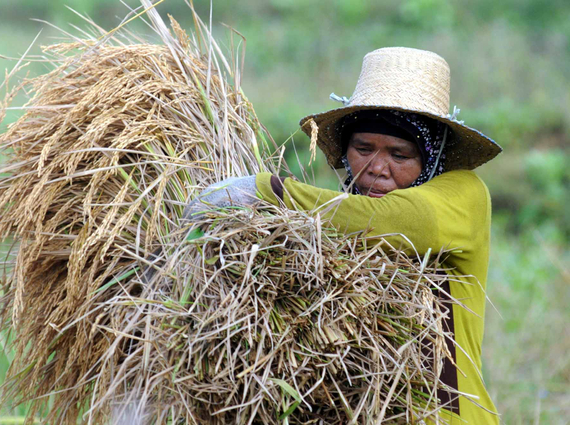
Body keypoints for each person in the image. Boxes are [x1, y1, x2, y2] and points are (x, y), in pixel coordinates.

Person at [186, 47, 501, 424]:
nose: (376, 169)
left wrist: (265, 190)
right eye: (363, 149)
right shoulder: (339, 218)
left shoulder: (464, 193)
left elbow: (395, 221)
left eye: (399, 155)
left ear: (430, 159)